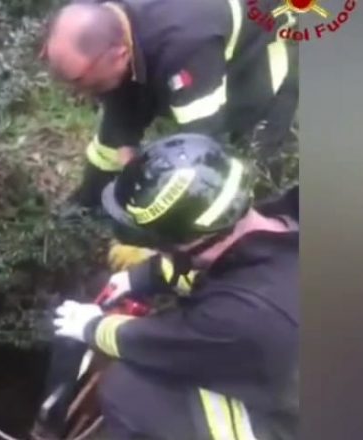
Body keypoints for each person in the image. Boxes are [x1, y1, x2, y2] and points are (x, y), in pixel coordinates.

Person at [52, 133, 300, 440]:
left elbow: (159, 344)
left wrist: (92, 327)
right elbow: (219, 265)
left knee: (130, 392)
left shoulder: (246, 314)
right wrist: (138, 278)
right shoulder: (277, 222)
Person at [42, 0, 299, 270]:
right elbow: (114, 137)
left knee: (242, 181)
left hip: (254, 74)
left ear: (119, 54)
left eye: (78, 80)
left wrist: (158, 250)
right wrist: (83, 206)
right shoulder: (116, 27)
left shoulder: (185, 46)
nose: (76, 93)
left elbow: (205, 154)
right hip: (179, 47)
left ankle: (261, 264)